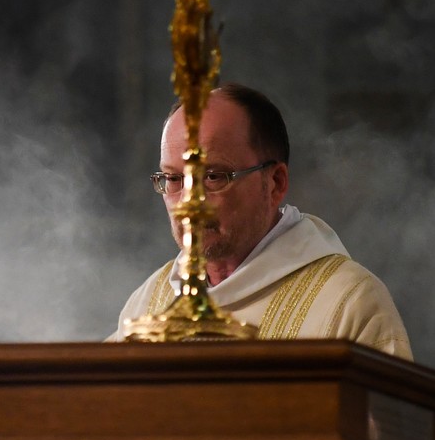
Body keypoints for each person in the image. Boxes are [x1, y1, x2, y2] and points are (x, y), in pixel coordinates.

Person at [114, 82, 410, 355]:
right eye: (173, 179)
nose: (188, 202)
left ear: (276, 183)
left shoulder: (350, 303)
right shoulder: (147, 305)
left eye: (214, 176)